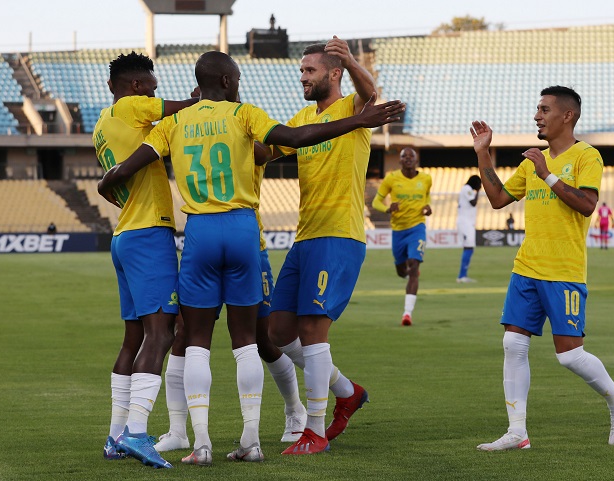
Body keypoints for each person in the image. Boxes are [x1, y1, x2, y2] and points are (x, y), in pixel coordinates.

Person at [98, 50, 404, 466]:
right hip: (245, 229)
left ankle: (202, 442)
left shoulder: (174, 122)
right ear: (227, 82)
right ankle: (253, 439)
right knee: (252, 339)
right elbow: (287, 142)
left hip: (201, 230)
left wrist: (110, 179)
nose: (302, 76)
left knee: (195, 339)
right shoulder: (246, 115)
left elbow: (134, 163)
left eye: (308, 70)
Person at [470, 85, 614, 451]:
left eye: (544, 109)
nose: (536, 116)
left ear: (567, 116)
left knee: (570, 355)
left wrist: (546, 174)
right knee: (513, 343)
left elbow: (587, 205)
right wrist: (484, 156)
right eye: (537, 109)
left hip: (564, 271)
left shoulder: (586, 156)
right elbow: (497, 199)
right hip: (527, 267)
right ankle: (517, 432)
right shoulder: (532, 161)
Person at [152, 146, 308, 461]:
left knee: (262, 338)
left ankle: (295, 410)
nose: (196, 92)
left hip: (250, 246)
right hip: (215, 243)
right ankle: (178, 431)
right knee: (184, 332)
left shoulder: (248, 129)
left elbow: (274, 148)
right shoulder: (199, 124)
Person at [267, 36, 380, 456]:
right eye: (301, 71)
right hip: (305, 238)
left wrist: (350, 59)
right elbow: (265, 150)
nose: (303, 77)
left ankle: (313, 431)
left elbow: (371, 95)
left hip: (339, 235)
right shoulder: (301, 118)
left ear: (333, 73)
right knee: (278, 331)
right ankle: (348, 392)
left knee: (313, 331)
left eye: (309, 70)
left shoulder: (352, 108)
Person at [93, 51, 198, 469]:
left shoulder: (102, 124)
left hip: (124, 235)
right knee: (163, 332)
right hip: (150, 232)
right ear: (137, 87)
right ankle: (137, 433)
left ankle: (115, 435)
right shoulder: (136, 106)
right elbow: (187, 111)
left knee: (133, 338)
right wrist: (199, 98)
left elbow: (111, 183)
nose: (157, 95)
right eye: (153, 87)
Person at [371, 147, 432, 326]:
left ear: (416, 160)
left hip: (417, 227)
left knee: (413, 267)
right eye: (404, 156)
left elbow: (427, 197)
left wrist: (428, 206)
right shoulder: (391, 178)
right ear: (399, 161)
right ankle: (407, 272)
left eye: (410, 156)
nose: (407, 159)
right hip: (398, 230)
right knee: (401, 271)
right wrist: (388, 208)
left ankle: (407, 313)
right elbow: (376, 202)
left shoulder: (426, 179)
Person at [456, 175, 482, 283]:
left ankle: (463, 275)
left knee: (468, 248)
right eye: (479, 183)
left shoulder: (466, 189)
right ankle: (462, 276)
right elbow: (473, 202)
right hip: (465, 223)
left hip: (467, 223)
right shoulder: (467, 189)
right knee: (469, 248)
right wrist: (478, 191)